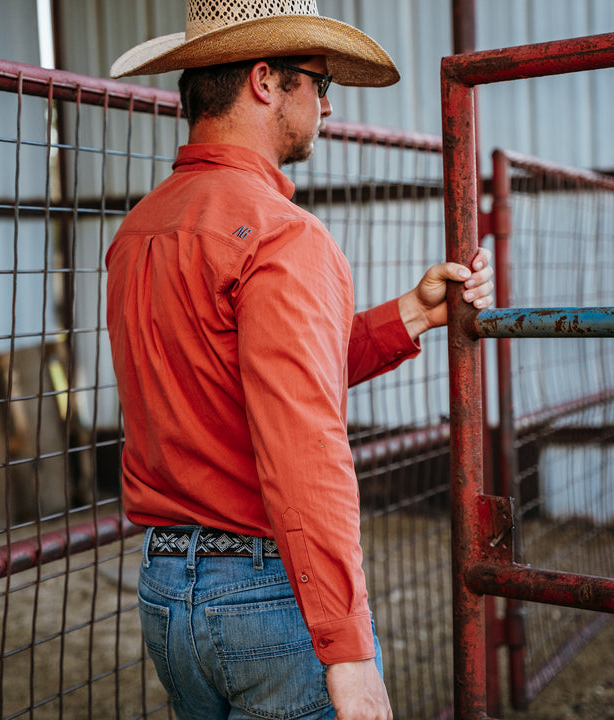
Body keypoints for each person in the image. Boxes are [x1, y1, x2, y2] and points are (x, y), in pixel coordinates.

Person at [105, 2, 494, 719]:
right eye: (317, 82)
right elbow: (304, 443)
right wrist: (348, 650)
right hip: (264, 595)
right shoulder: (285, 237)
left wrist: (410, 312)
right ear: (265, 81)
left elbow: (238, 374)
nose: (326, 104)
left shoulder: (139, 232)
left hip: (166, 590)